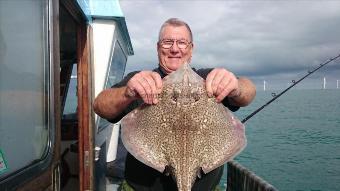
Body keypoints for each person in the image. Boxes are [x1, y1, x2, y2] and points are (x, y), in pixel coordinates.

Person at [93, 18, 256, 191]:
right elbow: (99, 105)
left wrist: (236, 87)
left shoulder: (209, 80)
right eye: (167, 42)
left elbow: (249, 92)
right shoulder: (142, 81)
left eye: (182, 43)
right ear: (158, 48)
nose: (175, 49)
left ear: (191, 49)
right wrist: (127, 92)